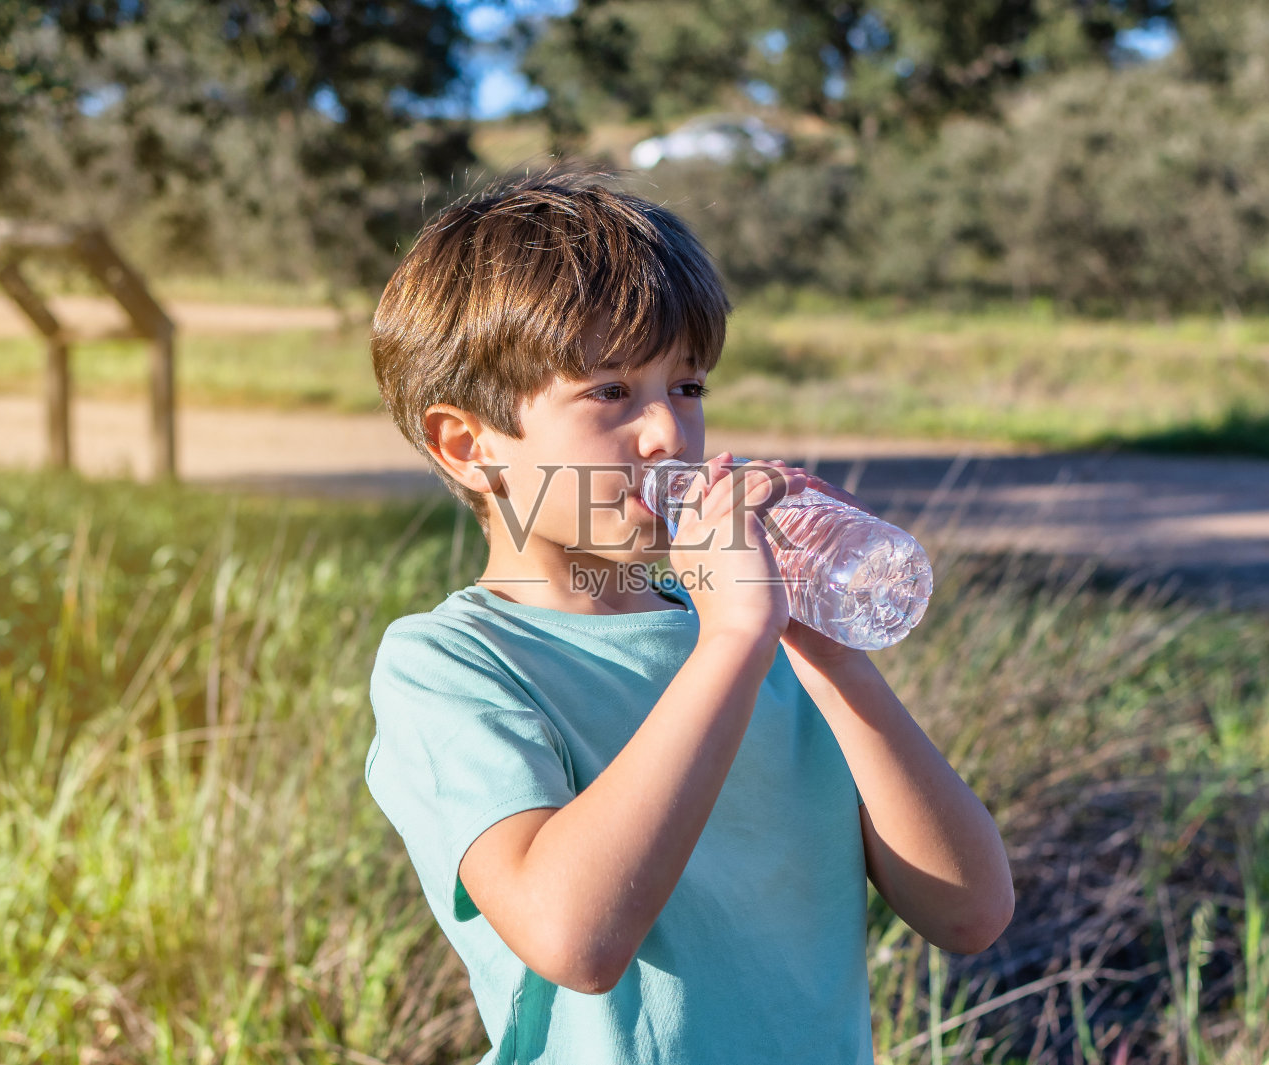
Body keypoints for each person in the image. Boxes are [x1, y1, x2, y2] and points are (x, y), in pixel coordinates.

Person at [363, 166, 1013, 1064]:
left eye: (688, 387)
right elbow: (575, 940)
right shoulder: (452, 663)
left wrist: (828, 650)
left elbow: (971, 911)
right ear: (469, 446)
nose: (669, 433)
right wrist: (734, 642)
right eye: (611, 393)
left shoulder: (762, 639)